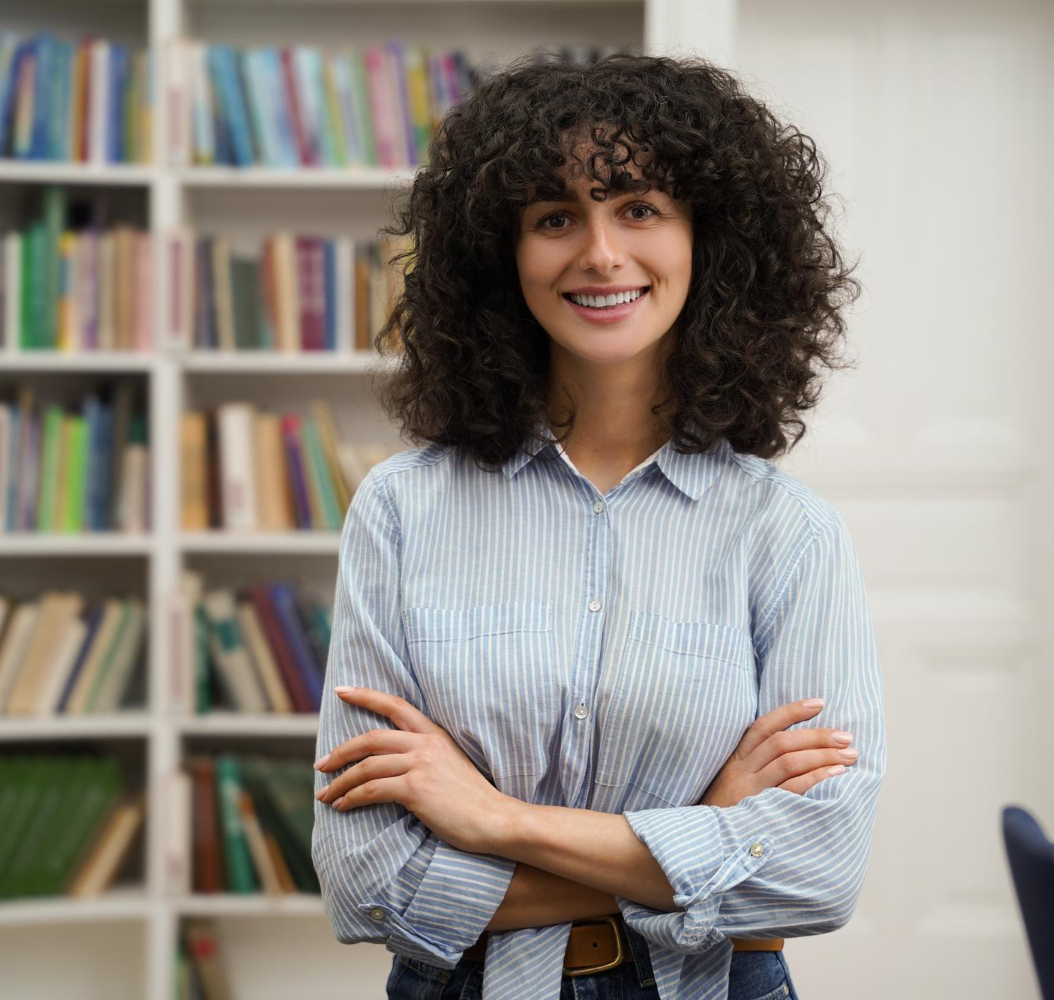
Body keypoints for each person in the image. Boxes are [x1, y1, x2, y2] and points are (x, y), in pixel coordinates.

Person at [309, 50, 886, 1000]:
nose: (601, 253)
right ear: (502, 255)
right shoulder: (403, 510)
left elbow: (817, 873)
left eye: (640, 209)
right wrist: (700, 833)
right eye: (555, 217)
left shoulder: (787, 534)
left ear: (710, 240)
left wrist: (493, 820)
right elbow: (367, 885)